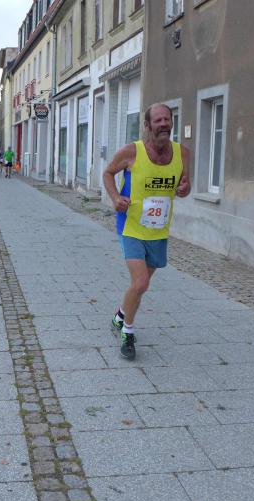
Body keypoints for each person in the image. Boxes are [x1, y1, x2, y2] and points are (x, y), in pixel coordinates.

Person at [103, 103, 191, 360]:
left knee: (140, 286)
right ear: (148, 125)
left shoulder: (183, 153)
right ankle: (127, 333)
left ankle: (120, 316)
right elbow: (108, 173)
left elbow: (184, 186)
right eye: (158, 120)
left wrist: (184, 189)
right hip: (131, 226)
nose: (164, 124)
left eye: (167, 119)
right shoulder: (132, 152)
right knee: (141, 282)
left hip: (159, 230)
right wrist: (115, 197)